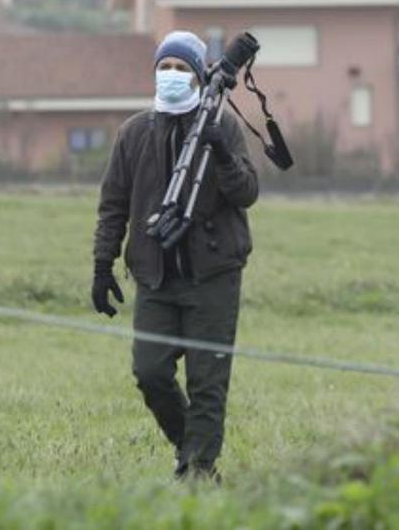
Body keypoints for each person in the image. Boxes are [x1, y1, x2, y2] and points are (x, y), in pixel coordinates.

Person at [91, 30, 259, 479]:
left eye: (181, 68)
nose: (171, 75)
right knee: (150, 372)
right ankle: (193, 453)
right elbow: (113, 205)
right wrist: (102, 265)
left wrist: (222, 154)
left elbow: (246, 193)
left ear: (199, 76)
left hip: (213, 275)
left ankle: (198, 470)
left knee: (208, 381)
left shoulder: (223, 125)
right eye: (164, 67)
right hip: (154, 276)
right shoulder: (133, 133)